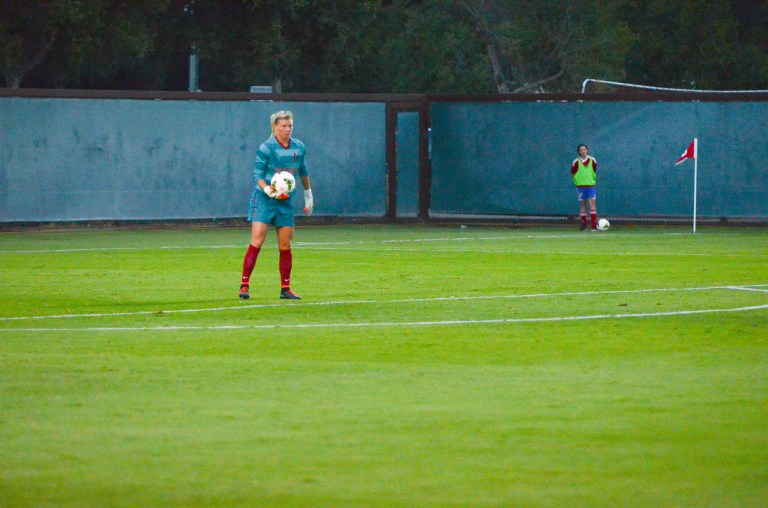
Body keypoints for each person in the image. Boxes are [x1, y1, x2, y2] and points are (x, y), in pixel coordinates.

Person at [239, 110, 313, 300]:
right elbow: (257, 175)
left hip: (285, 201)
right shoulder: (266, 147)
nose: (288, 129)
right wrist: (268, 190)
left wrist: (308, 194)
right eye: (283, 126)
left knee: (285, 243)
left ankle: (285, 289)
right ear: (275, 127)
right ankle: (244, 285)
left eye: (290, 126)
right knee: (257, 239)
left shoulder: (299, 147)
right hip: (265, 198)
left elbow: (303, 170)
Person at [571, 143, 599, 231]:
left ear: (587, 150)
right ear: (579, 152)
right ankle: (584, 225)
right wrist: (577, 181)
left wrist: (590, 179)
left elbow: (594, 169)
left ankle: (594, 226)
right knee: (583, 204)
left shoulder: (592, 160)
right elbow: (573, 172)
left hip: (591, 185)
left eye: (584, 149)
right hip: (580, 186)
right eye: (581, 150)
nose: (583, 151)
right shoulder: (576, 162)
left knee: (592, 203)